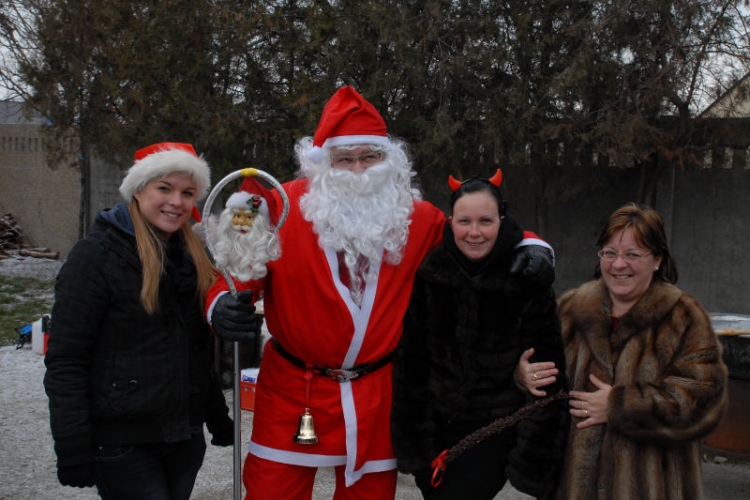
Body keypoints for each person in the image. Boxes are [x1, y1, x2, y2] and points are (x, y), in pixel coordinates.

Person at [206, 86, 556, 499]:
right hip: (294, 391)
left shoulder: (416, 218)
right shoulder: (277, 205)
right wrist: (221, 307)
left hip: (376, 396)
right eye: (345, 158)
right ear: (322, 163)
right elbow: (234, 270)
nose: (358, 169)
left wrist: (530, 244)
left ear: (388, 160)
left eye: (369, 157)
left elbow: (475, 236)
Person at [44, 143, 234, 500]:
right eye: (164, 188)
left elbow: (195, 350)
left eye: (187, 193)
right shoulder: (96, 257)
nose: (176, 202)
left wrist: (216, 418)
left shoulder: (190, 259)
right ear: (139, 189)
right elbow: (66, 358)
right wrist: (71, 444)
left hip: (184, 440)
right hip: (124, 444)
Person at [390, 171, 568, 500]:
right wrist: (413, 444)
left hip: (496, 433)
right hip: (435, 434)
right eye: (464, 221)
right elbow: (411, 363)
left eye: (485, 221)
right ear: (450, 221)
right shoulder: (432, 270)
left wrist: (532, 462)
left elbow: (549, 376)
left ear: (502, 218)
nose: (474, 233)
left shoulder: (525, 276)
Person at [552, 202, 728, 499]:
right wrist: (526, 375)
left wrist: (620, 405)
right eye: (610, 253)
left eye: (633, 255)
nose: (618, 265)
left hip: (654, 487)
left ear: (657, 259)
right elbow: (545, 380)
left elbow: (701, 400)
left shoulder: (683, 316)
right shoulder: (571, 309)